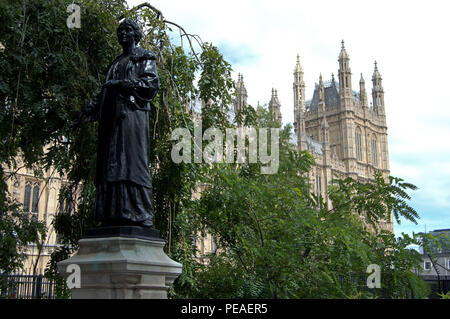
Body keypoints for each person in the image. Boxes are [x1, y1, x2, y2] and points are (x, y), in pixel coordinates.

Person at [82, 19, 159, 228]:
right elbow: (106, 89)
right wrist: (93, 106)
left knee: (131, 164)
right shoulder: (115, 63)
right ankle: (113, 212)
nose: (123, 33)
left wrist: (124, 85)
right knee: (111, 166)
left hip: (132, 117)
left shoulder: (145, 57)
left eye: (127, 30)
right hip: (111, 121)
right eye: (120, 30)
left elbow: (150, 85)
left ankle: (139, 213)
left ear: (135, 34)